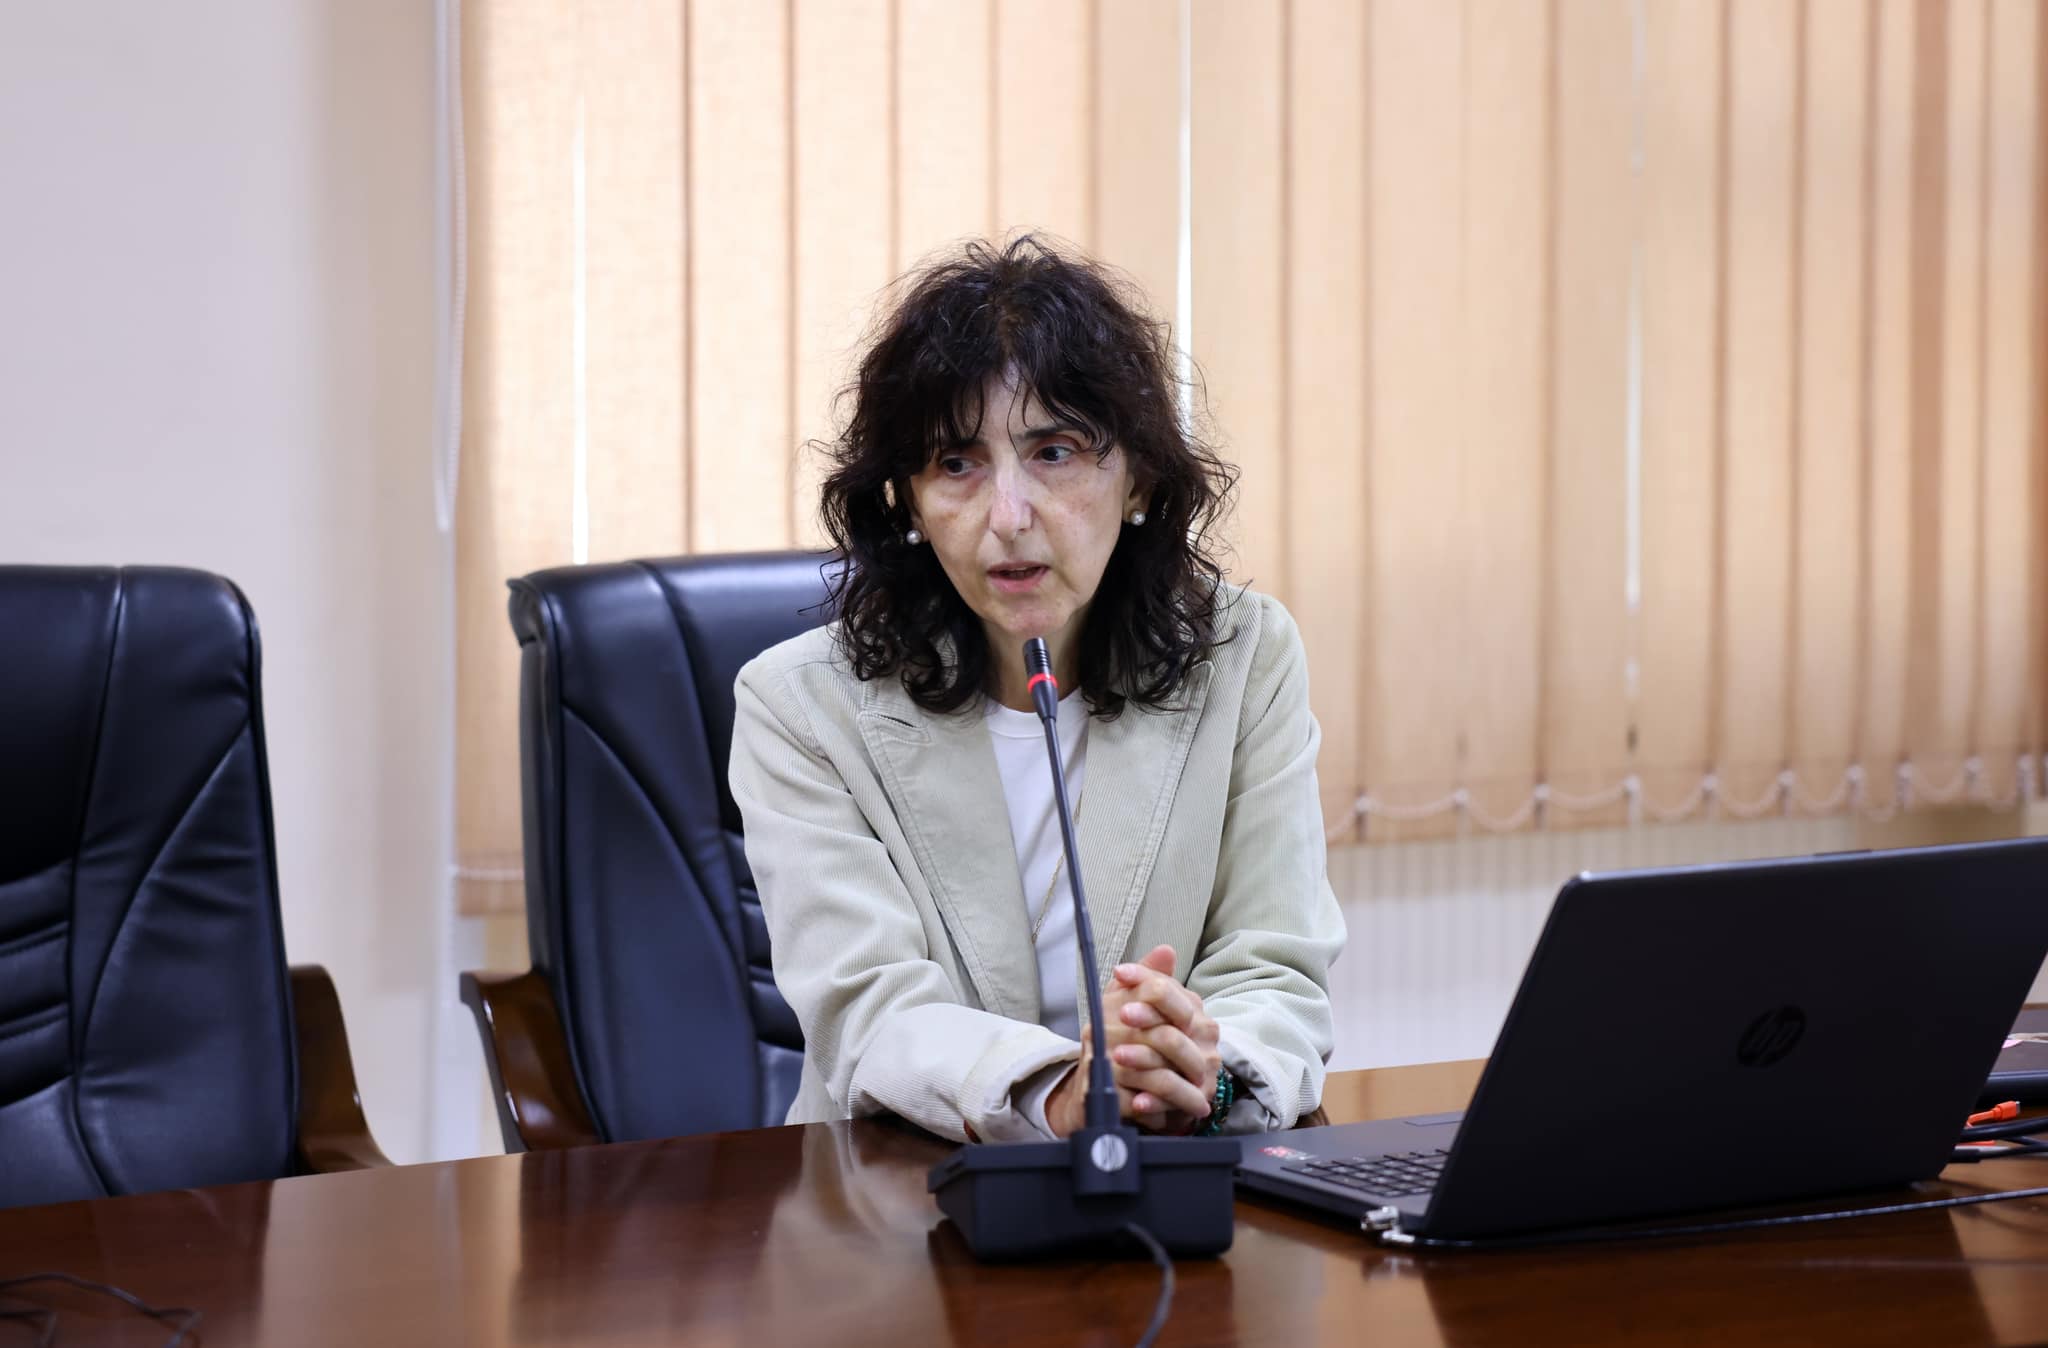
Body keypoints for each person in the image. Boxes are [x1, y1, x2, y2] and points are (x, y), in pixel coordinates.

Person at [729, 234, 1345, 1143]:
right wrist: (1059, 1093)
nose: (1008, 517)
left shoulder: (1243, 656)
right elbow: (870, 1012)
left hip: (1176, 1169)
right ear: (908, 500)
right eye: (956, 464)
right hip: (898, 1190)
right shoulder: (800, 706)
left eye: (1054, 452)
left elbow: (1276, 968)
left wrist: (1200, 1071)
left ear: (1137, 479)